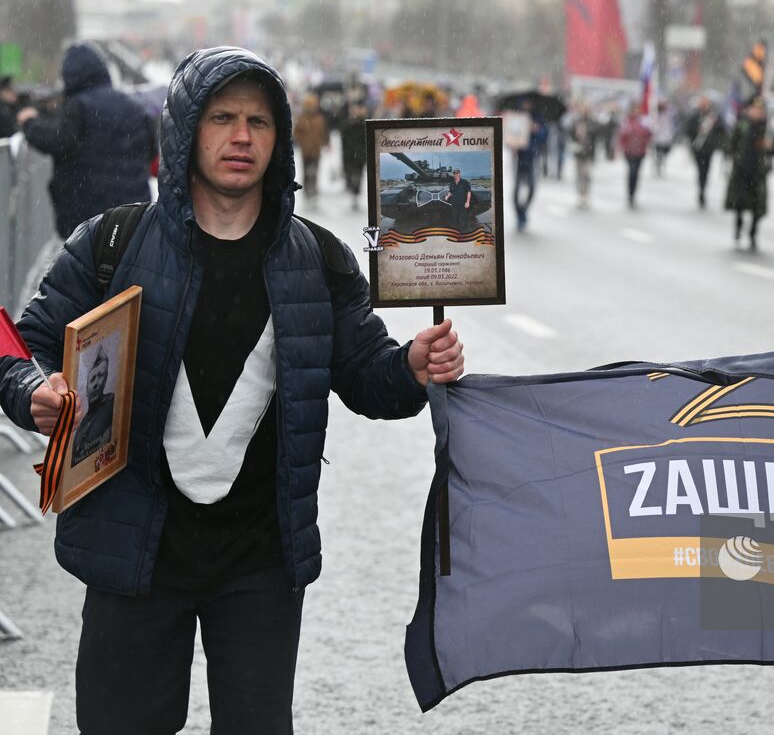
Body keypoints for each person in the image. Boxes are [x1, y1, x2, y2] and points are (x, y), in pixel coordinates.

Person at [0, 46, 464, 734]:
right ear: (186, 127)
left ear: (280, 140)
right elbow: (20, 346)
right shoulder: (111, 243)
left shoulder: (320, 258)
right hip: (135, 553)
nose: (241, 136)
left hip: (261, 560)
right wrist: (35, 388)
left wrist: (413, 367)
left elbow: (368, 374)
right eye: (222, 117)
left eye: (258, 121)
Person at [15, 42, 154, 238]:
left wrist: (29, 123)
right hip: (135, 214)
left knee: (90, 267)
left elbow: (57, 140)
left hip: (88, 216)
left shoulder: (79, 106)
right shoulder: (134, 105)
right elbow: (151, 150)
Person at [725, 98, 770, 252]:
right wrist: (734, 158)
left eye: (760, 110)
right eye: (755, 110)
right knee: (739, 201)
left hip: (758, 171)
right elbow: (731, 144)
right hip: (742, 169)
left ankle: (753, 233)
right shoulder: (742, 125)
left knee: (758, 205)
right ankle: (738, 226)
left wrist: (770, 147)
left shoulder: (767, 128)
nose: (757, 113)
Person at [70, 344, 116, 464]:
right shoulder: (82, 422)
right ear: (86, 387)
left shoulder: (112, 403)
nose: (96, 383)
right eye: (92, 379)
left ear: (106, 379)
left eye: (100, 376)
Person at [685, 96, 727, 209]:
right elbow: (688, 130)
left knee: (706, 170)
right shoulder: (695, 116)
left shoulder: (714, 117)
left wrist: (718, 142)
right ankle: (701, 188)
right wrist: (697, 131)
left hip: (709, 148)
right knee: (700, 170)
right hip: (698, 148)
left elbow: (722, 131)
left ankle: (703, 189)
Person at [292, 92, 329, 198]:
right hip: (306, 150)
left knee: (315, 169)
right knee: (306, 169)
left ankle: (313, 188)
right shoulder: (302, 118)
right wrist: (301, 140)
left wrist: (326, 142)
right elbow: (296, 133)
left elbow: (324, 132)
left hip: (316, 150)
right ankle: (307, 189)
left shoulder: (320, 119)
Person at [616, 105, 652, 209]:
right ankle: (630, 193)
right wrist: (620, 147)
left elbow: (649, 135)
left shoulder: (644, 122)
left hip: (640, 152)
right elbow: (622, 136)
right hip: (629, 151)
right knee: (632, 171)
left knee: (636, 173)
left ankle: (633, 193)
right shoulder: (626, 122)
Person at [341, 91, 370, 196]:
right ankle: (353, 189)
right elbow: (344, 138)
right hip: (351, 154)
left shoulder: (365, 123)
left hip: (360, 154)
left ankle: (355, 191)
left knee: (358, 174)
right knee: (353, 173)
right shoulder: (348, 123)